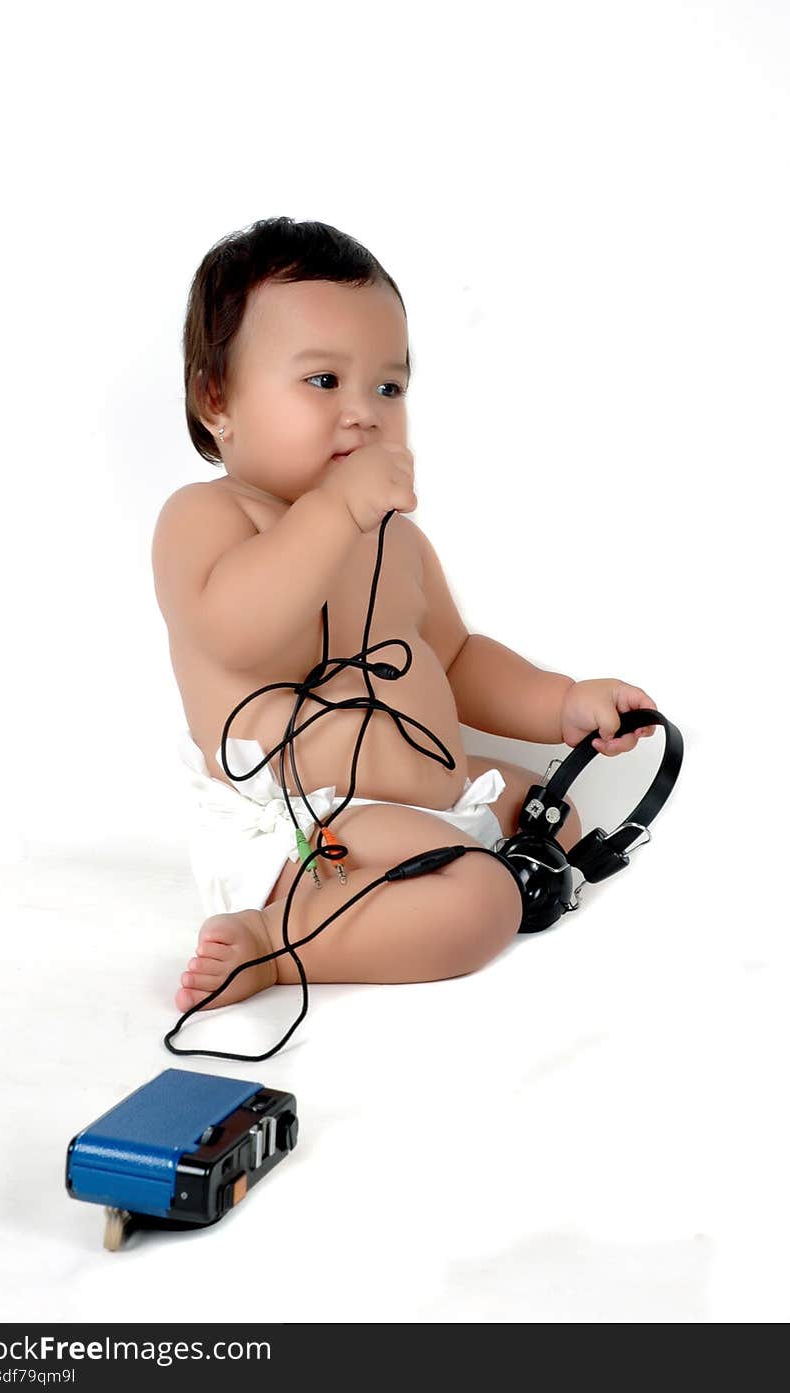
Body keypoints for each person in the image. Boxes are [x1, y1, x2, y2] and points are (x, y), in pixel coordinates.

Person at [151, 216, 657, 1014]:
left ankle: (437, 873)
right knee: (480, 903)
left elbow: (453, 662)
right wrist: (334, 511)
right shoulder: (210, 517)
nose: (365, 413)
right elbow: (236, 633)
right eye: (324, 382)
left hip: (424, 791)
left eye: (388, 387)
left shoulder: (395, 541)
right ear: (217, 399)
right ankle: (273, 942)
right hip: (301, 818)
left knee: (550, 815)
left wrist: (561, 700)